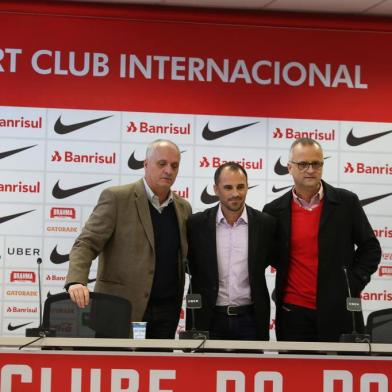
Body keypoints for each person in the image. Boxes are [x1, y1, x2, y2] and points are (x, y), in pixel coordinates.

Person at [65, 139, 192, 339]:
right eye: (162, 164)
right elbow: (86, 243)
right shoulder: (116, 198)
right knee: (114, 369)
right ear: (146, 164)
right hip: (119, 309)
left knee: (158, 370)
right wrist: (76, 281)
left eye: (174, 166)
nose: (169, 170)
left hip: (166, 313)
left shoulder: (183, 207)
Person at [263, 137, 381, 342]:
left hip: (339, 310)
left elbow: (370, 247)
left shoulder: (346, 202)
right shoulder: (274, 211)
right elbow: (270, 255)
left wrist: (353, 281)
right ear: (289, 168)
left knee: (341, 371)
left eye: (316, 163)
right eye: (303, 164)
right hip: (293, 313)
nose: (310, 169)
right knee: (297, 373)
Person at [186, 162, 276, 340]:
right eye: (228, 187)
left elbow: (268, 261)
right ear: (216, 189)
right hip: (207, 318)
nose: (235, 193)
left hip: (251, 319)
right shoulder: (196, 224)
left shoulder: (266, 224)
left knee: (252, 368)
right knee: (201, 369)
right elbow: (188, 265)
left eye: (241, 187)